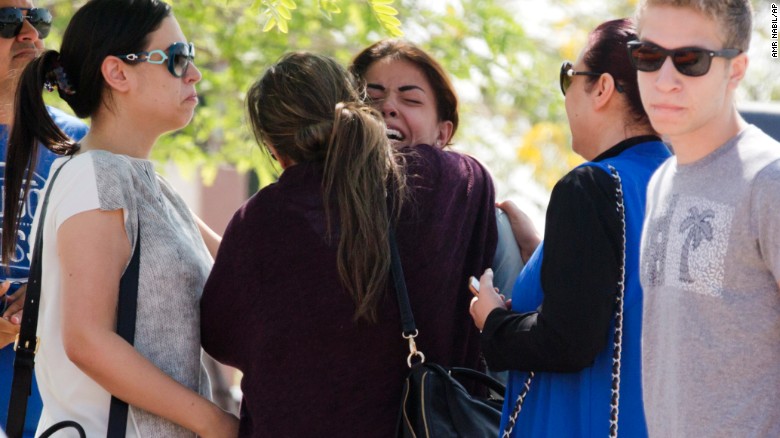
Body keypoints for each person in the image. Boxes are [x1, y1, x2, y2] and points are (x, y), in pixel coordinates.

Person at [200, 52, 497, 436]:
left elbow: (221, 335)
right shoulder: (453, 179)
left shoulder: (257, 220)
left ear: (274, 147)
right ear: (356, 109)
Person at [1, 0, 237, 436]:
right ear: (118, 73)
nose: (194, 73)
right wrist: (216, 422)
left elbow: (244, 273)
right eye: (177, 58)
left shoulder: (149, 183)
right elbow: (88, 342)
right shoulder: (95, 174)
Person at [469, 18, 671, 437]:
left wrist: (492, 322)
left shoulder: (590, 187)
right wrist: (544, 256)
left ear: (602, 88)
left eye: (570, 75)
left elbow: (567, 339)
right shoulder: (687, 185)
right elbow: (621, 295)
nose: (565, 95)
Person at [632, 0, 780, 436]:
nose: (664, 81)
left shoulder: (768, 180)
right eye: (648, 56)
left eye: (689, 60)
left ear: (736, 70)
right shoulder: (661, 180)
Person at [350, 39, 522, 295]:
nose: (387, 107)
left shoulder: (484, 223)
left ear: (442, 133)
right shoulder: (313, 204)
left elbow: (514, 320)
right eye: (371, 97)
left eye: (410, 99)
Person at [0, 1, 88, 435]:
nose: (29, 34)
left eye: (39, 20)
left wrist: (46, 293)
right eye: (6, 21)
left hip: (56, 414)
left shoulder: (81, 145)